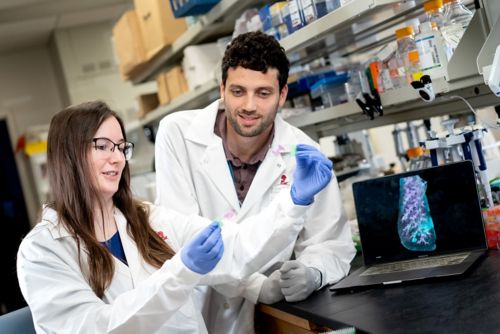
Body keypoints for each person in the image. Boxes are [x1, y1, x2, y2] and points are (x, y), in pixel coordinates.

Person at [16, 101, 334, 333]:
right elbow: (99, 328)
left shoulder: (147, 219)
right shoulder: (43, 250)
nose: (116, 158)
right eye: (102, 146)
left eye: (121, 147)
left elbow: (235, 244)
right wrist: (182, 272)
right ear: (68, 155)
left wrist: (295, 201)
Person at [155, 31, 357, 333]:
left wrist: (313, 271)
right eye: (238, 91)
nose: (249, 106)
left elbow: (330, 242)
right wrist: (257, 286)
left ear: (282, 94)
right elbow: (182, 240)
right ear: (222, 89)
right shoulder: (177, 134)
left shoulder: (305, 154)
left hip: (262, 318)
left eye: (263, 93)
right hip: (190, 310)